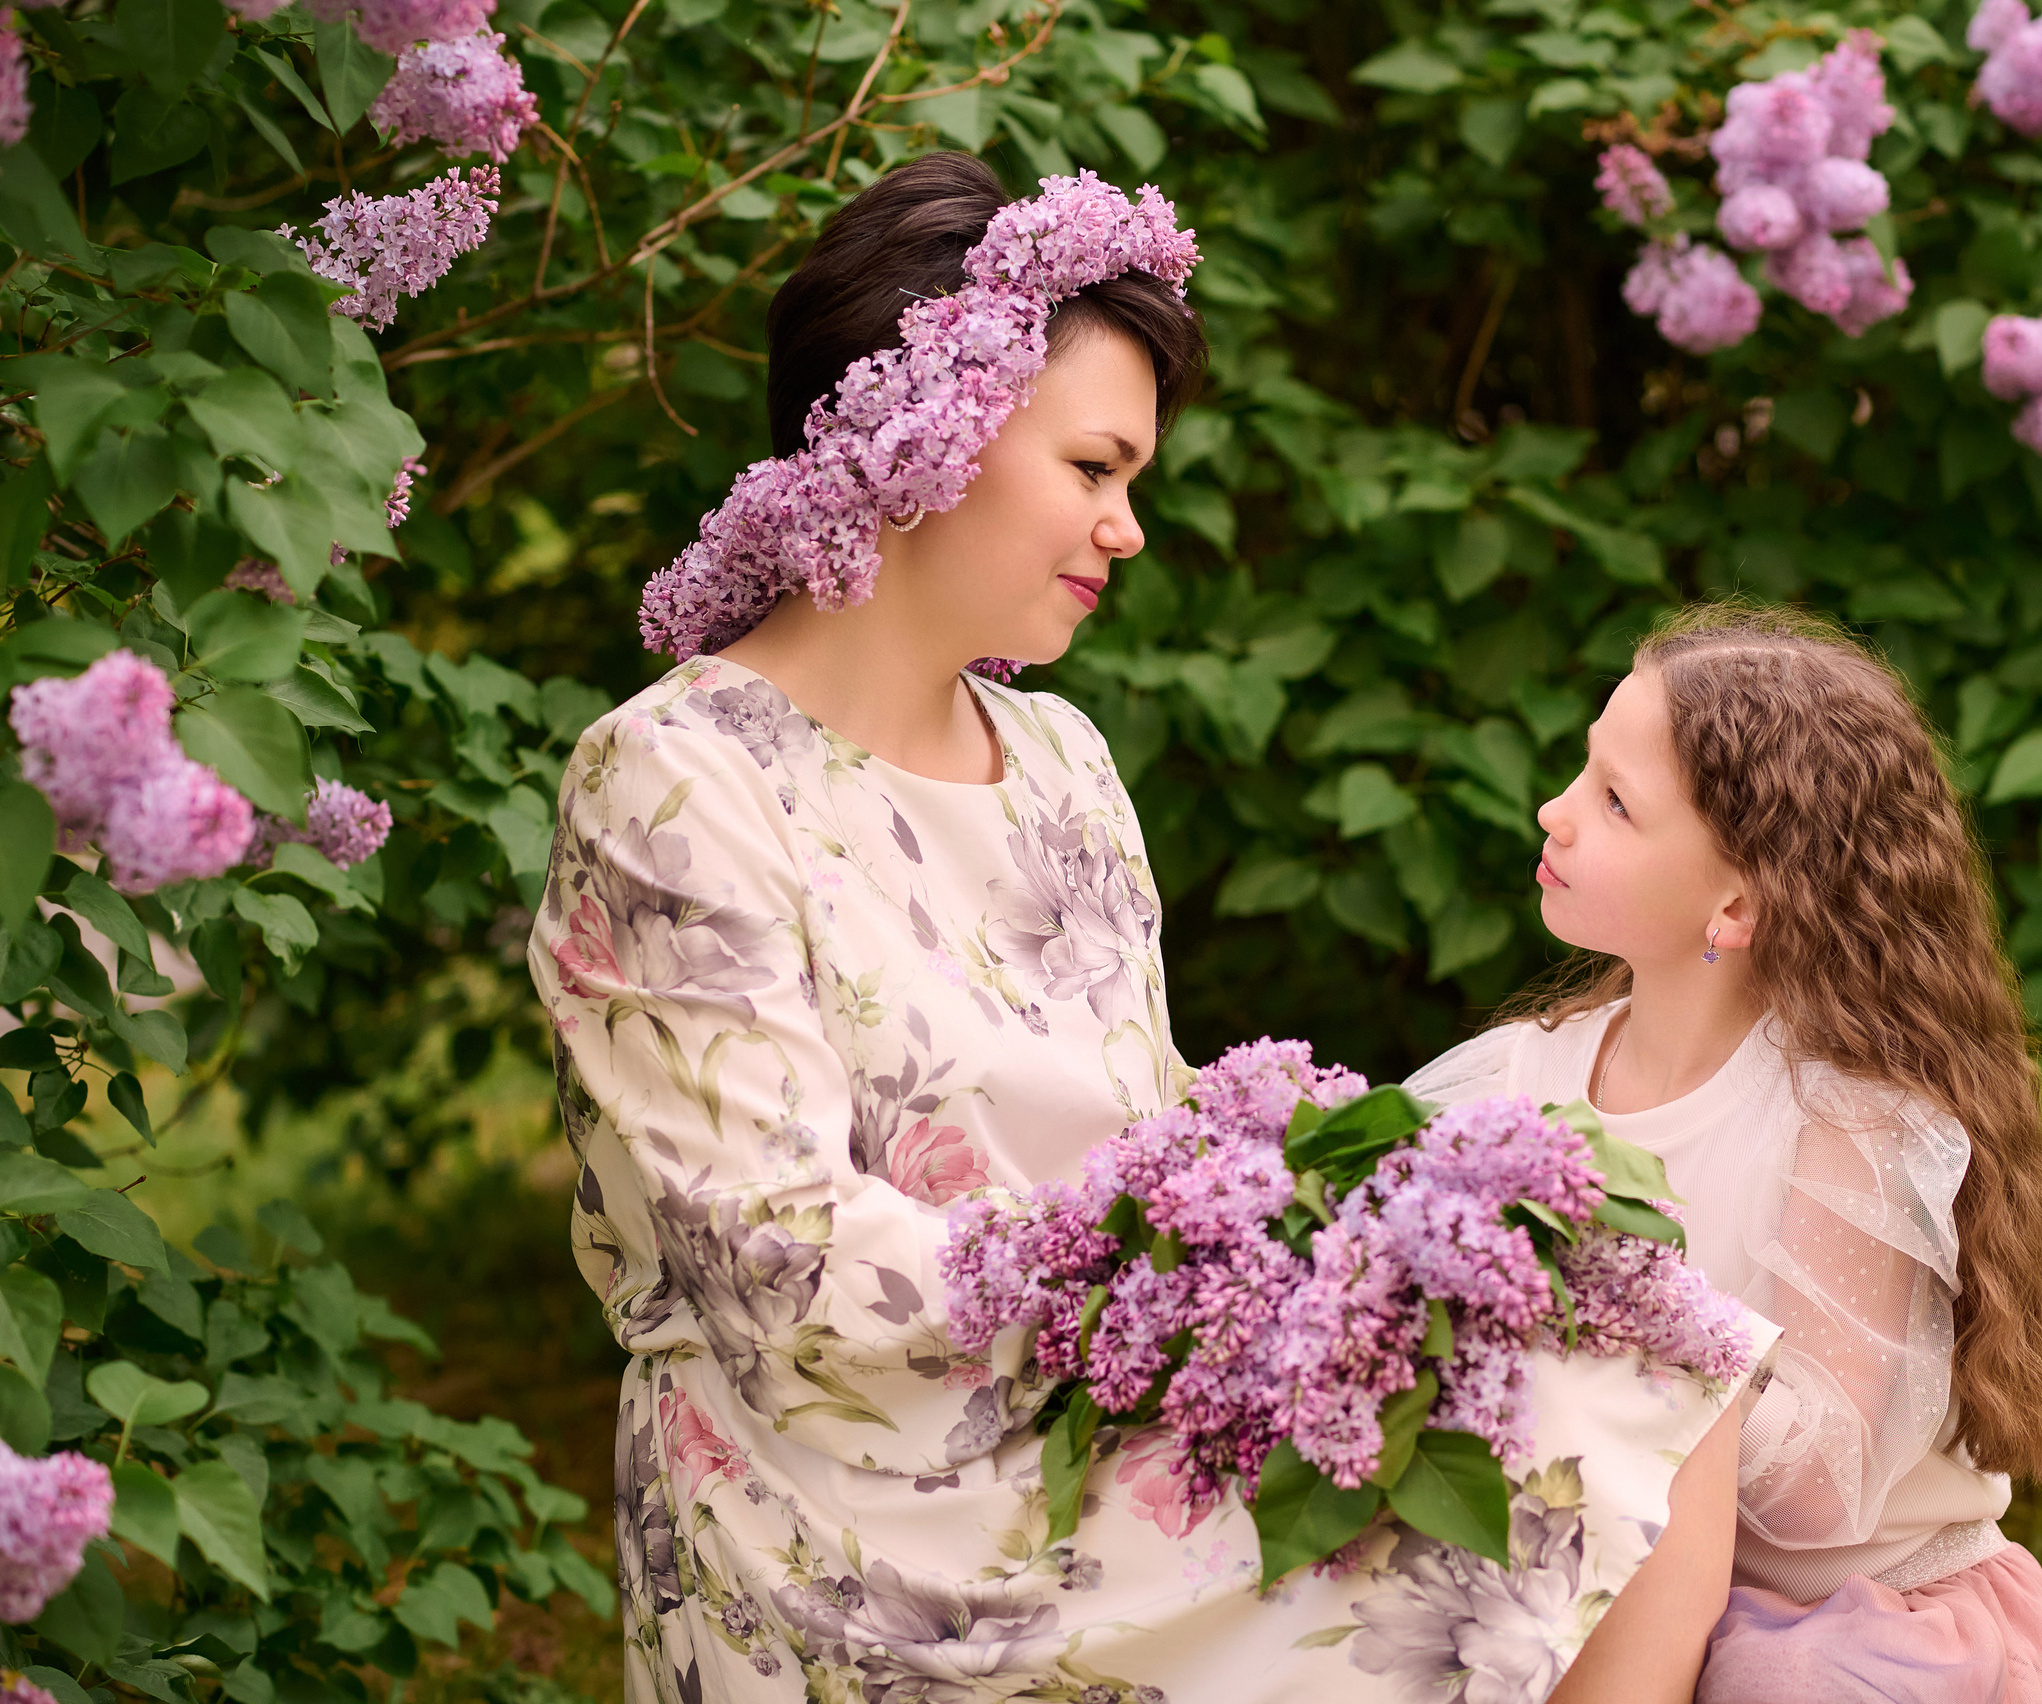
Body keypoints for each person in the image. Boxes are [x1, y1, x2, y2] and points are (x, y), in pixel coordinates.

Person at [531, 154, 1772, 1704]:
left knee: (1638, 1350)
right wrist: (1193, 1308)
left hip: (1112, 1407)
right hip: (844, 1490)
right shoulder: (675, 778)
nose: (1126, 531)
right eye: (1096, 468)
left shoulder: (1062, 766)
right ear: (929, 441)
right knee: (1576, 1406)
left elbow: (1148, 1129)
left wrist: (1323, 1256)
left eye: (1135, 485)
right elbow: (777, 1266)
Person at [1408, 604, 2042, 1703]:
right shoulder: (1511, 1083)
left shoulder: (1846, 1124)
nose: (1552, 813)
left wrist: (1612, 1315)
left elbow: (1816, 1498)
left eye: (1613, 802)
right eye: (1579, 772)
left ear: (1734, 903)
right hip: (1598, 1598)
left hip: (1846, 1629)